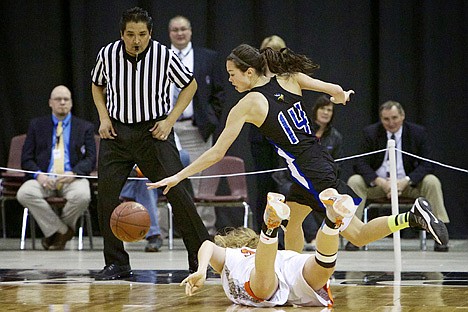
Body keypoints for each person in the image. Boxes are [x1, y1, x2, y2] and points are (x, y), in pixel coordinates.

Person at [148, 43, 449, 256]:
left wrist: (178, 176)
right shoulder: (289, 79)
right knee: (293, 220)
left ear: (250, 73)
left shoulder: (248, 104)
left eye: (232, 73)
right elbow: (331, 90)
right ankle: (293, 272)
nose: (229, 79)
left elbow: (215, 153)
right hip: (317, 161)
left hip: (310, 170)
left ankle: (412, 216)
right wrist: (342, 95)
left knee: (356, 235)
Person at [91, 7, 210, 280]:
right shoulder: (107, 54)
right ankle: (117, 262)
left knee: (177, 192)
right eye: (130, 34)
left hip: (153, 132)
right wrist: (103, 118)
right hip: (117, 134)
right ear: (122, 34)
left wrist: (170, 121)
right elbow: (96, 84)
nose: (136, 40)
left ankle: (199, 255)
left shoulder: (163, 55)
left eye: (142, 34)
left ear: (151, 34)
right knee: (106, 197)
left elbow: (189, 85)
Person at [179, 190, 348, 308]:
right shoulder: (246, 255)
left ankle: (270, 228)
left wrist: (202, 270)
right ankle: (332, 222)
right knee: (323, 266)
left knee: (263, 284)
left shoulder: (232, 256)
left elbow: (207, 244)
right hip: (288, 261)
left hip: (262, 270)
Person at [347, 100, 450, 252]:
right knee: (354, 181)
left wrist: (405, 182)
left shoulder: (417, 132)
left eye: (394, 118)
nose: (391, 123)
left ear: (402, 116)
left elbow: (428, 164)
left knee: (432, 181)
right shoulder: (370, 133)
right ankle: (353, 234)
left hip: (408, 185)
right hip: (379, 185)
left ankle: (440, 233)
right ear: (381, 119)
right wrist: (381, 182)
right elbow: (360, 163)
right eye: (386, 119)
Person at [17, 85, 96, 250]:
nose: (62, 102)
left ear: (71, 103)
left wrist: (74, 173)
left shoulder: (85, 127)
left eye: (66, 99)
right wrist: (39, 175)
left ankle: (54, 235)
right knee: (24, 193)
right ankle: (62, 231)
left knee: (82, 195)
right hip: (45, 178)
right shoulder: (37, 125)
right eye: (58, 99)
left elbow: (90, 159)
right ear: (50, 103)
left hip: (72, 178)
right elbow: (26, 159)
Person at [168, 15, 226, 234]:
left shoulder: (207, 58)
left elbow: (219, 92)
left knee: (203, 180)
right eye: (175, 30)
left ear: (190, 31)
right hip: (167, 129)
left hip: (198, 129)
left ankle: (205, 229)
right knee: (169, 179)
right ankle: (169, 231)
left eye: (183, 29)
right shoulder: (160, 57)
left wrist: (211, 119)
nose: (180, 33)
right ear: (169, 33)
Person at [119, 134, 191, 252]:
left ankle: (154, 234)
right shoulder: (129, 133)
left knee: (183, 156)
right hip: (140, 180)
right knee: (145, 182)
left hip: (167, 177)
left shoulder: (165, 129)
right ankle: (154, 235)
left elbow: (180, 158)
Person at [248, 35, 286, 233]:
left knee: (283, 185)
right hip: (260, 138)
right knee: (264, 186)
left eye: (274, 51)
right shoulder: (255, 75)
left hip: (283, 138)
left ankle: (284, 231)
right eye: (265, 52)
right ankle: (261, 231)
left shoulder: (288, 77)